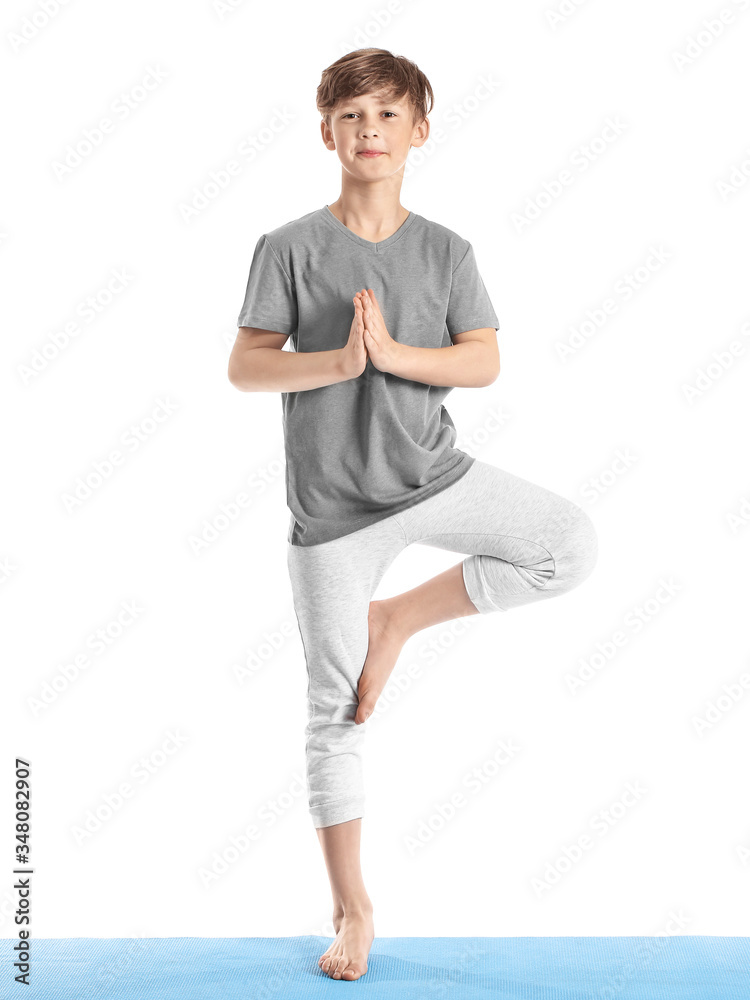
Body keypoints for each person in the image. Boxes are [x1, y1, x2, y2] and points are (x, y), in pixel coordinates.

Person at [228, 47, 598, 983]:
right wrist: (339, 365)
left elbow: (482, 360)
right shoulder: (288, 247)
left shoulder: (447, 251)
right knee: (335, 710)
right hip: (332, 516)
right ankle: (353, 909)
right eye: (352, 116)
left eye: (389, 116)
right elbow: (246, 365)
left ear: (418, 131)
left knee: (567, 546)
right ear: (327, 133)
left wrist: (392, 353)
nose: (370, 132)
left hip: (433, 476)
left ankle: (399, 617)